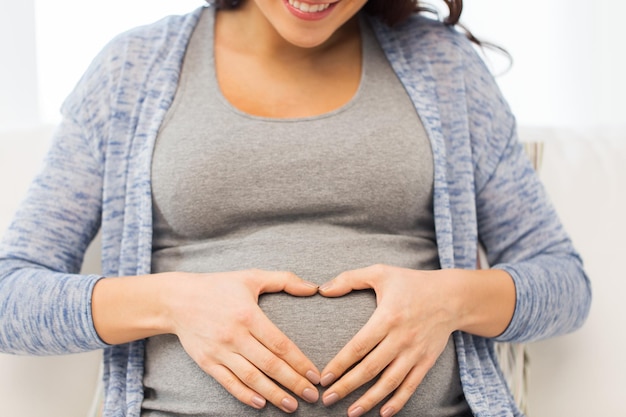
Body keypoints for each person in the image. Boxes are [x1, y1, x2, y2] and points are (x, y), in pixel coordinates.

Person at [0, 0, 591, 416]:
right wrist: (171, 302)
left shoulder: (446, 70)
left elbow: (563, 284)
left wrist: (450, 300)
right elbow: (11, 298)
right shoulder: (131, 71)